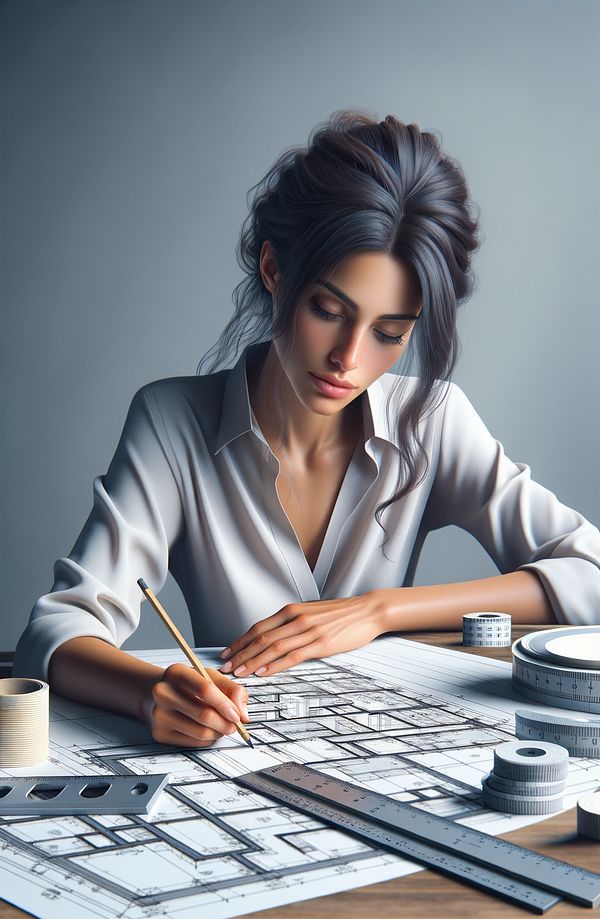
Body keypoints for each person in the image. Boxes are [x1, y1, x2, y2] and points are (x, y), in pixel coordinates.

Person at [12, 110, 600, 750]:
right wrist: (148, 692)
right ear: (273, 270)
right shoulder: (172, 422)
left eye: (389, 333)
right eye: (328, 310)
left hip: (388, 760)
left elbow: (590, 572)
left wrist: (377, 614)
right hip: (237, 768)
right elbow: (56, 631)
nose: (349, 358)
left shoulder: (432, 421)